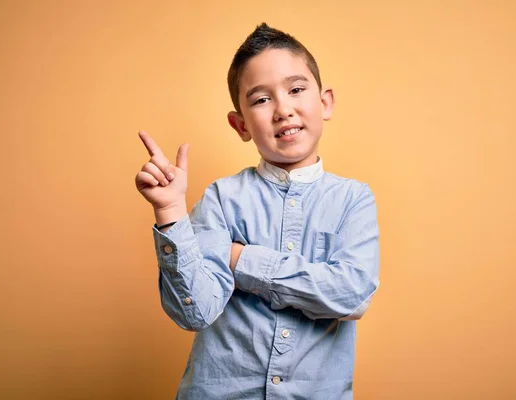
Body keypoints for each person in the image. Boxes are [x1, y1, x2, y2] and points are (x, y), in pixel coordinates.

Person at [135, 22, 380, 400]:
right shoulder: (221, 198)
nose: (283, 109)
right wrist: (170, 210)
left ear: (324, 102)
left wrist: (241, 258)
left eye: (296, 89)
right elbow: (195, 312)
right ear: (240, 124)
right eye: (261, 99)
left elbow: (350, 296)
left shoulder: (353, 199)